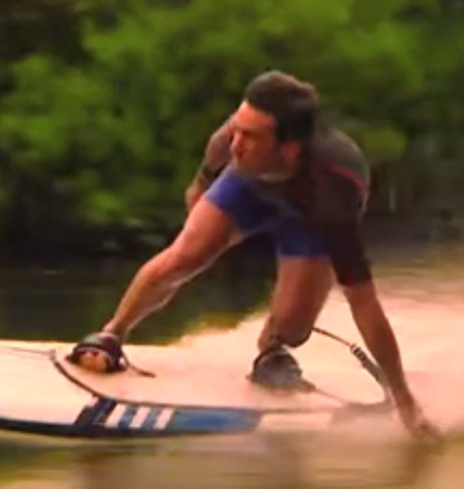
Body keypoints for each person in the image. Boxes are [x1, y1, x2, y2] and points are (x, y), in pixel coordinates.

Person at [67, 70, 440, 443]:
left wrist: (405, 400)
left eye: (250, 137)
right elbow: (221, 144)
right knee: (184, 256)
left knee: (294, 329)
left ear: (288, 149)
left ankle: (271, 349)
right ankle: (112, 333)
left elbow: (365, 306)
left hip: (308, 217)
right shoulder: (240, 145)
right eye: (237, 130)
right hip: (247, 185)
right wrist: (202, 182)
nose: (236, 144)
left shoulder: (334, 196)